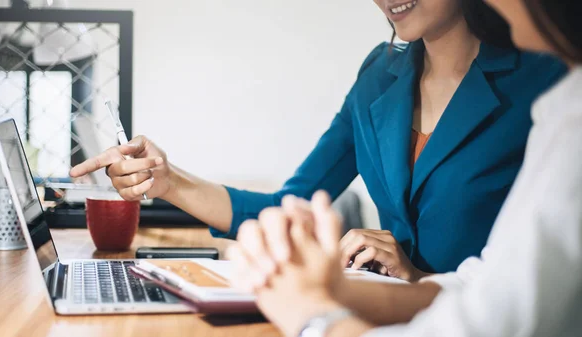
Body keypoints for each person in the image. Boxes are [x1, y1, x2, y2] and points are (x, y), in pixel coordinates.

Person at [70, 0, 565, 282]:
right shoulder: (379, 75)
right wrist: (167, 179)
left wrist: (417, 278)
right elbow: (291, 205)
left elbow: (549, 281)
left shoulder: (547, 77)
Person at [228, 0, 582, 336]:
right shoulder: (378, 75)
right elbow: (486, 281)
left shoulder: (553, 89)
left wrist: (311, 315)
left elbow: (497, 316)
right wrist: (336, 289)